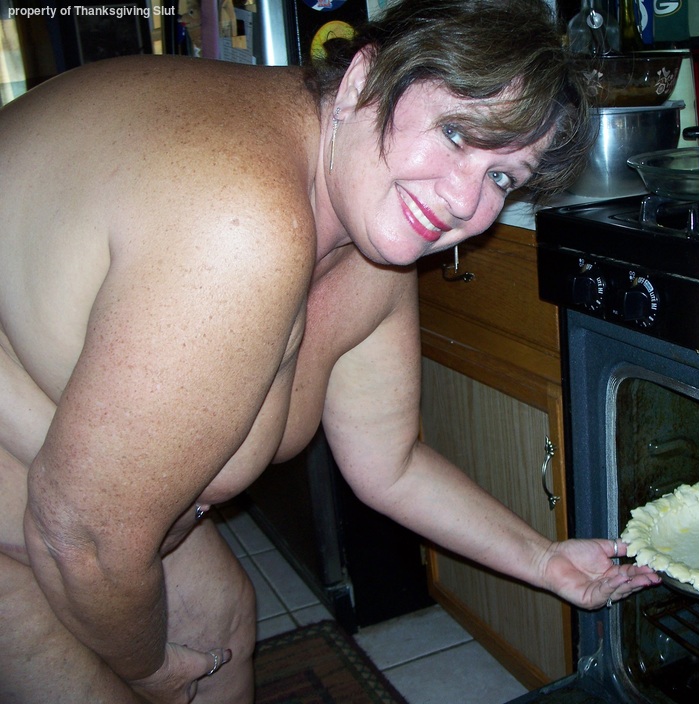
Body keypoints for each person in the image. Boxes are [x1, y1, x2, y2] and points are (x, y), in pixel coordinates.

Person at [0, 0, 660, 701]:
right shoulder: (238, 221)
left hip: (83, 486)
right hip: (47, 487)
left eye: (503, 177)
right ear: (361, 83)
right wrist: (148, 672)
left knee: (220, 624)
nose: (465, 201)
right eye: (457, 133)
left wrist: (545, 560)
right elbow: (84, 539)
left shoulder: (368, 235)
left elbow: (391, 465)